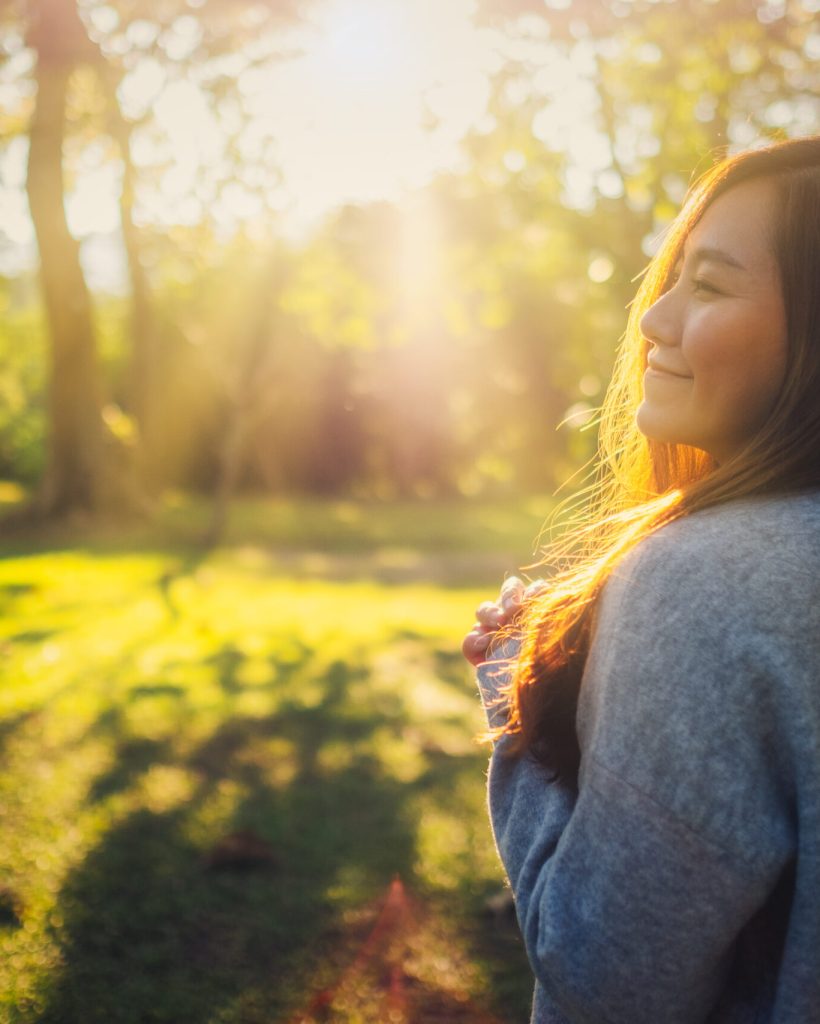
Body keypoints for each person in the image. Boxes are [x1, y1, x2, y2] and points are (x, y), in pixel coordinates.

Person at [462, 134, 820, 1023]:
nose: (654, 321)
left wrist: (521, 706)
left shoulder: (705, 585)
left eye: (709, 284)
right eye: (673, 277)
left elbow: (608, 980)